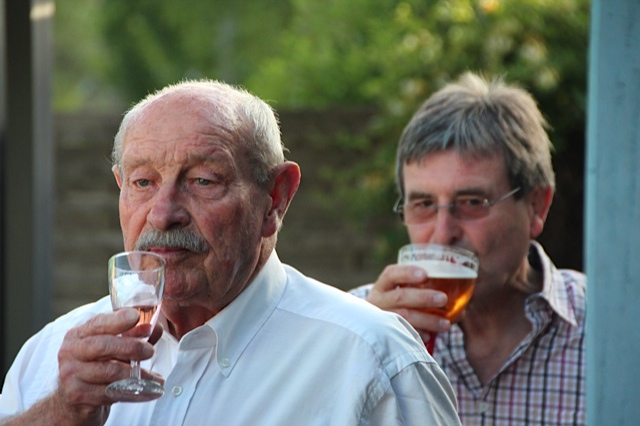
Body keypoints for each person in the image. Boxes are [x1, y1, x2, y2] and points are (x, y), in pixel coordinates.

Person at [0, 81, 461, 425]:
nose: (163, 214)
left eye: (203, 180)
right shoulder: (50, 358)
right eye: (143, 182)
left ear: (276, 198)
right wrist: (62, 411)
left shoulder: (370, 360)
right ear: (120, 189)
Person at [350, 72, 586, 425]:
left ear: (537, 207)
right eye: (424, 204)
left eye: (473, 201)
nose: (443, 234)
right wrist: (355, 359)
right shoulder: (359, 323)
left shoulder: (608, 329)